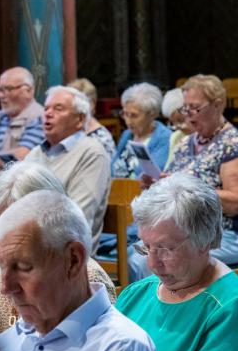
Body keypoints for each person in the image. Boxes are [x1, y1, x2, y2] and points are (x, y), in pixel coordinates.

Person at [0, 190, 166, 351]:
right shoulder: (10, 339)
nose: (5, 287)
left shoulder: (120, 349)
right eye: (1, 266)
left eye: (24, 267)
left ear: (73, 260)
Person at [117, 174, 238, 351]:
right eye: (146, 247)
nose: (152, 264)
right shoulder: (136, 295)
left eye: (165, 249)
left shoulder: (230, 306)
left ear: (204, 241)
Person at [0, 163, 116, 338]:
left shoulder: (86, 278)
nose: (7, 287)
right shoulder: (1, 275)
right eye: (0, 226)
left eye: (14, 226)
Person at [159, 74, 238, 270]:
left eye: (195, 108)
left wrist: (190, 188)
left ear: (218, 105)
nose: (189, 114)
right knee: (140, 253)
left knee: (158, 259)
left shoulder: (232, 144)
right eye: (186, 108)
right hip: (184, 231)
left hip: (224, 234)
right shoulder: (186, 142)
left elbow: (236, 202)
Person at [23, 86, 112, 252]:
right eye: (46, 108)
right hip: (24, 246)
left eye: (58, 109)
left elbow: (76, 219)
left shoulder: (92, 153)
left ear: (79, 119)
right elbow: (11, 207)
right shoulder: (35, 153)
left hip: (62, 254)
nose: (48, 114)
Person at [112, 82, 171, 178]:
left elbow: (152, 176)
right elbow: (113, 166)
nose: (128, 121)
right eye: (125, 114)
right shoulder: (127, 134)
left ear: (152, 114)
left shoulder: (165, 138)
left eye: (134, 115)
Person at [68, 77, 117, 159]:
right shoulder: (70, 129)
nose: (72, 107)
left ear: (92, 104)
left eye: (77, 103)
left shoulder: (101, 138)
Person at [161, 87, 193, 167]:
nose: (177, 127)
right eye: (172, 123)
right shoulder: (175, 137)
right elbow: (168, 169)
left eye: (181, 120)